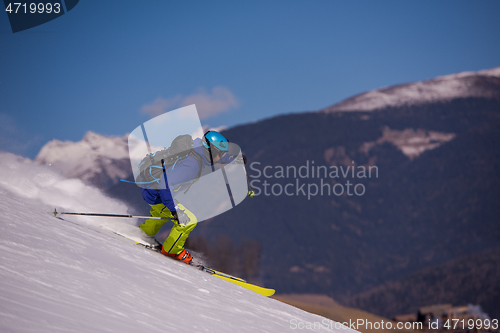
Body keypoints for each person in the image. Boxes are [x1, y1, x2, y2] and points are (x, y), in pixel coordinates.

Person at [138, 131, 235, 264]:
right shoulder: (192, 165)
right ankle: (171, 250)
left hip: (151, 187)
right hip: (157, 193)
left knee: (161, 214)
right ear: (211, 151)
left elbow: (217, 157)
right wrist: (175, 210)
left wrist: (234, 158)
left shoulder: (198, 149)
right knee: (188, 220)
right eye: (220, 153)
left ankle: (144, 233)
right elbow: (164, 185)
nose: (221, 157)